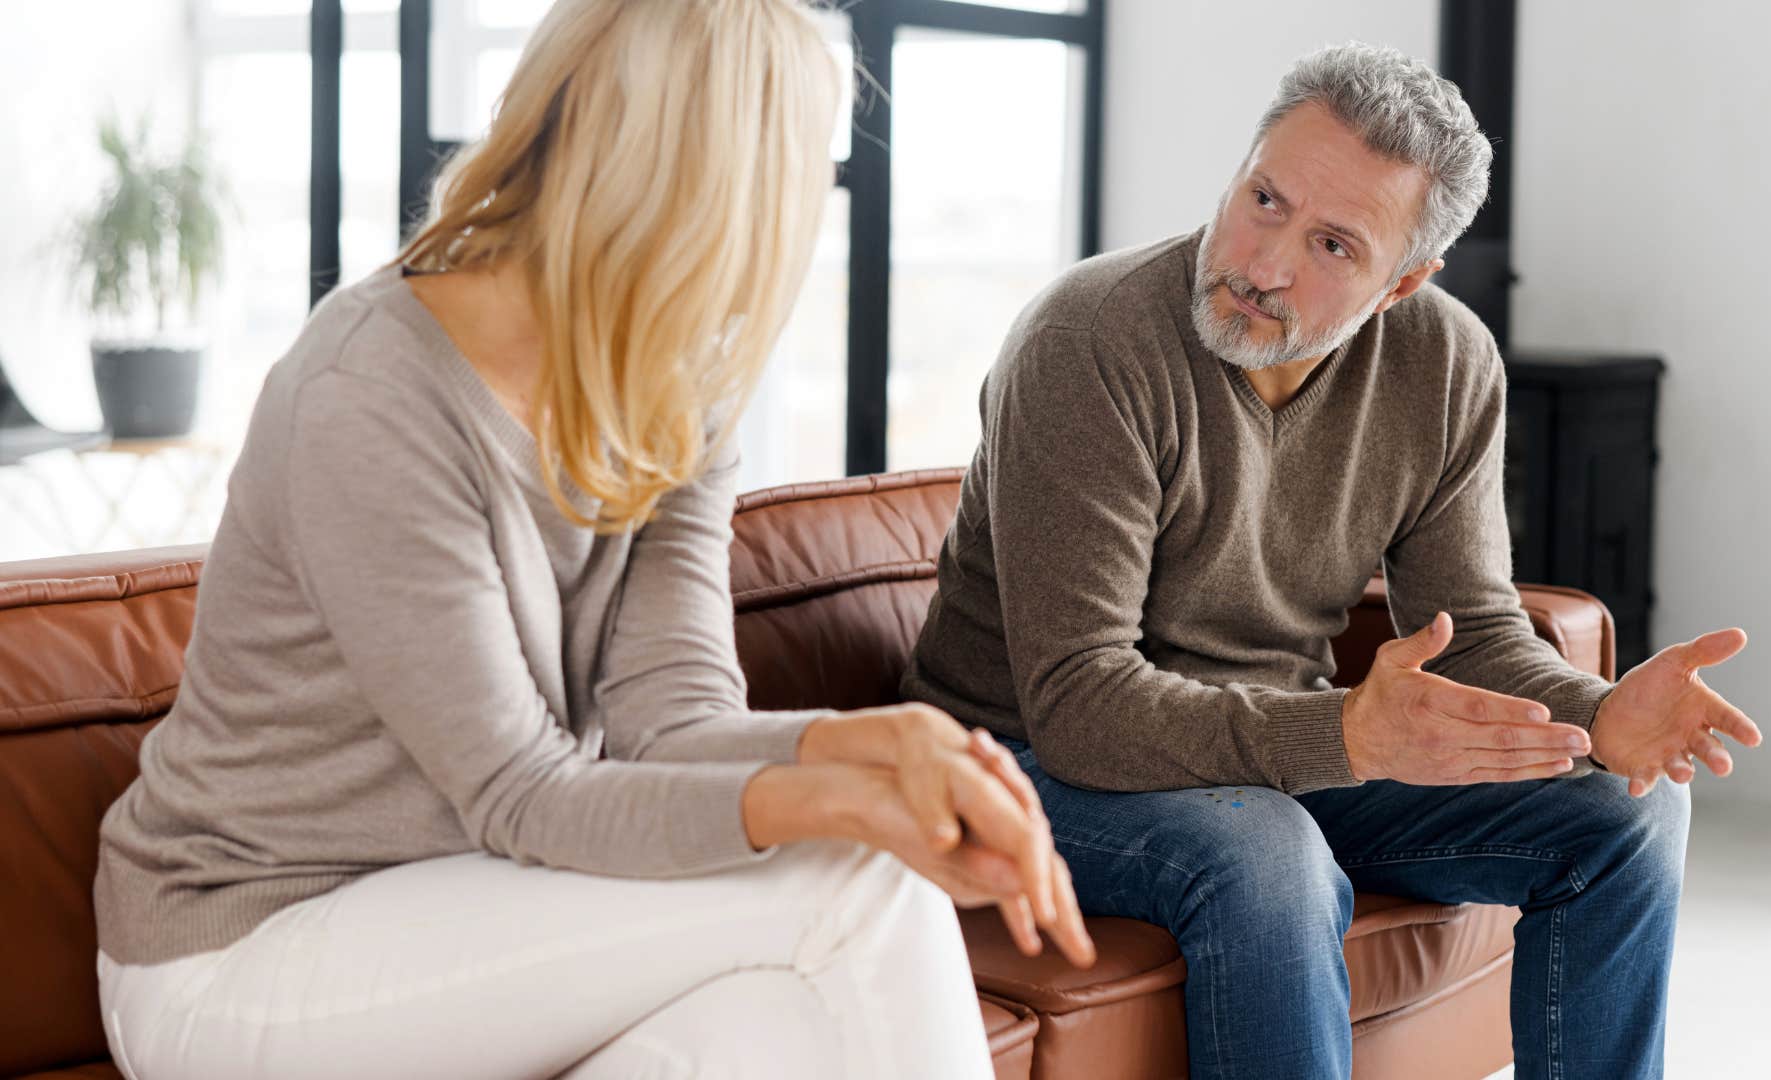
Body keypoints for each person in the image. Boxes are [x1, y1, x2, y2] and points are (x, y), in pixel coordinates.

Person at [92, 3, 1093, 1078]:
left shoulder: (675, 381)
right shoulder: (369, 393)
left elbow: (674, 720)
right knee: (858, 882)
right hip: (238, 952)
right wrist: (843, 801)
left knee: (776, 1027)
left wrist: (885, 744)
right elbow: (525, 792)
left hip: (467, 906)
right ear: (702, 187)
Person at [900, 41, 1762, 1080]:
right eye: (1263, 198)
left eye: (1334, 247)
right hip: (1025, 760)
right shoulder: (1090, 341)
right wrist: (1341, 735)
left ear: (1404, 282)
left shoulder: (1444, 363)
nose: (1265, 265)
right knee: (1266, 848)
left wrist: (1595, 714)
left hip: (1271, 749)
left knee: (1628, 808)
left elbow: (1476, 633)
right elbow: (1079, 703)